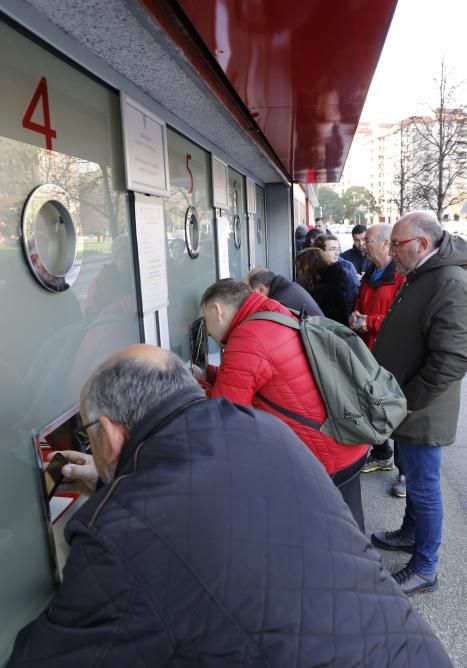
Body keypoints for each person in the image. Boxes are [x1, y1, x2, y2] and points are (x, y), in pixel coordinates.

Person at [7, 346, 452, 668]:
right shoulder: (262, 430)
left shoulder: (118, 533)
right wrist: (113, 479)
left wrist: (113, 499)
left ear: (108, 430)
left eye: (89, 434)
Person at [199, 278, 369, 531]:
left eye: (206, 323)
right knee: (351, 527)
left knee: (326, 538)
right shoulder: (274, 313)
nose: (210, 333)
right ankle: (364, 568)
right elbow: (260, 380)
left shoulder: (246, 338)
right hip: (347, 439)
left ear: (217, 311)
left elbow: (225, 416)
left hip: (324, 456)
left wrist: (195, 386)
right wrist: (210, 375)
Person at [371, 212, 467, 595]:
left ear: (423, 244)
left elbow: (453, 358)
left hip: (421, 410)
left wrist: (408, 402)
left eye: (397, 244)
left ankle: (425, 567)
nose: (391, 252)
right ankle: (411, 533)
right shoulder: (423, 272)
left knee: (425, 487)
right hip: (406, 404)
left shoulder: (450, 282)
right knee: (412, 477)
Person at [350, 223, 406, 497]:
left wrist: (368, 322)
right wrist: (356, 315)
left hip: (390, 353)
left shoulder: (401, 277)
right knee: (374, 404)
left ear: (385, 245)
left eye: (368, 240)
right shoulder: (371, 272)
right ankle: (382, 454)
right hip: (368, 351)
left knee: (400, 412)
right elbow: (361, 303)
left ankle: (405, 474)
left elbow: (403, 321)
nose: (363, 245)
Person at [295, 247, 349, 324]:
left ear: (308, 268)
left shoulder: (321, 291)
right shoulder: (333, 283)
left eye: (299, 267)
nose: (298, 272)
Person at [245, 266, 323, 316]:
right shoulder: (287, 288)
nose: (246, 297)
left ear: (260, 289)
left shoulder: (277, 306)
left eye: (248, 291)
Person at [313, 233, 360, 317]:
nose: (337, 253)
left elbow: (353, 299)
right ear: (319, 252)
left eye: (338, 249)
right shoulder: (310, 271)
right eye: (332, 249)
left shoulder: (347, 270)